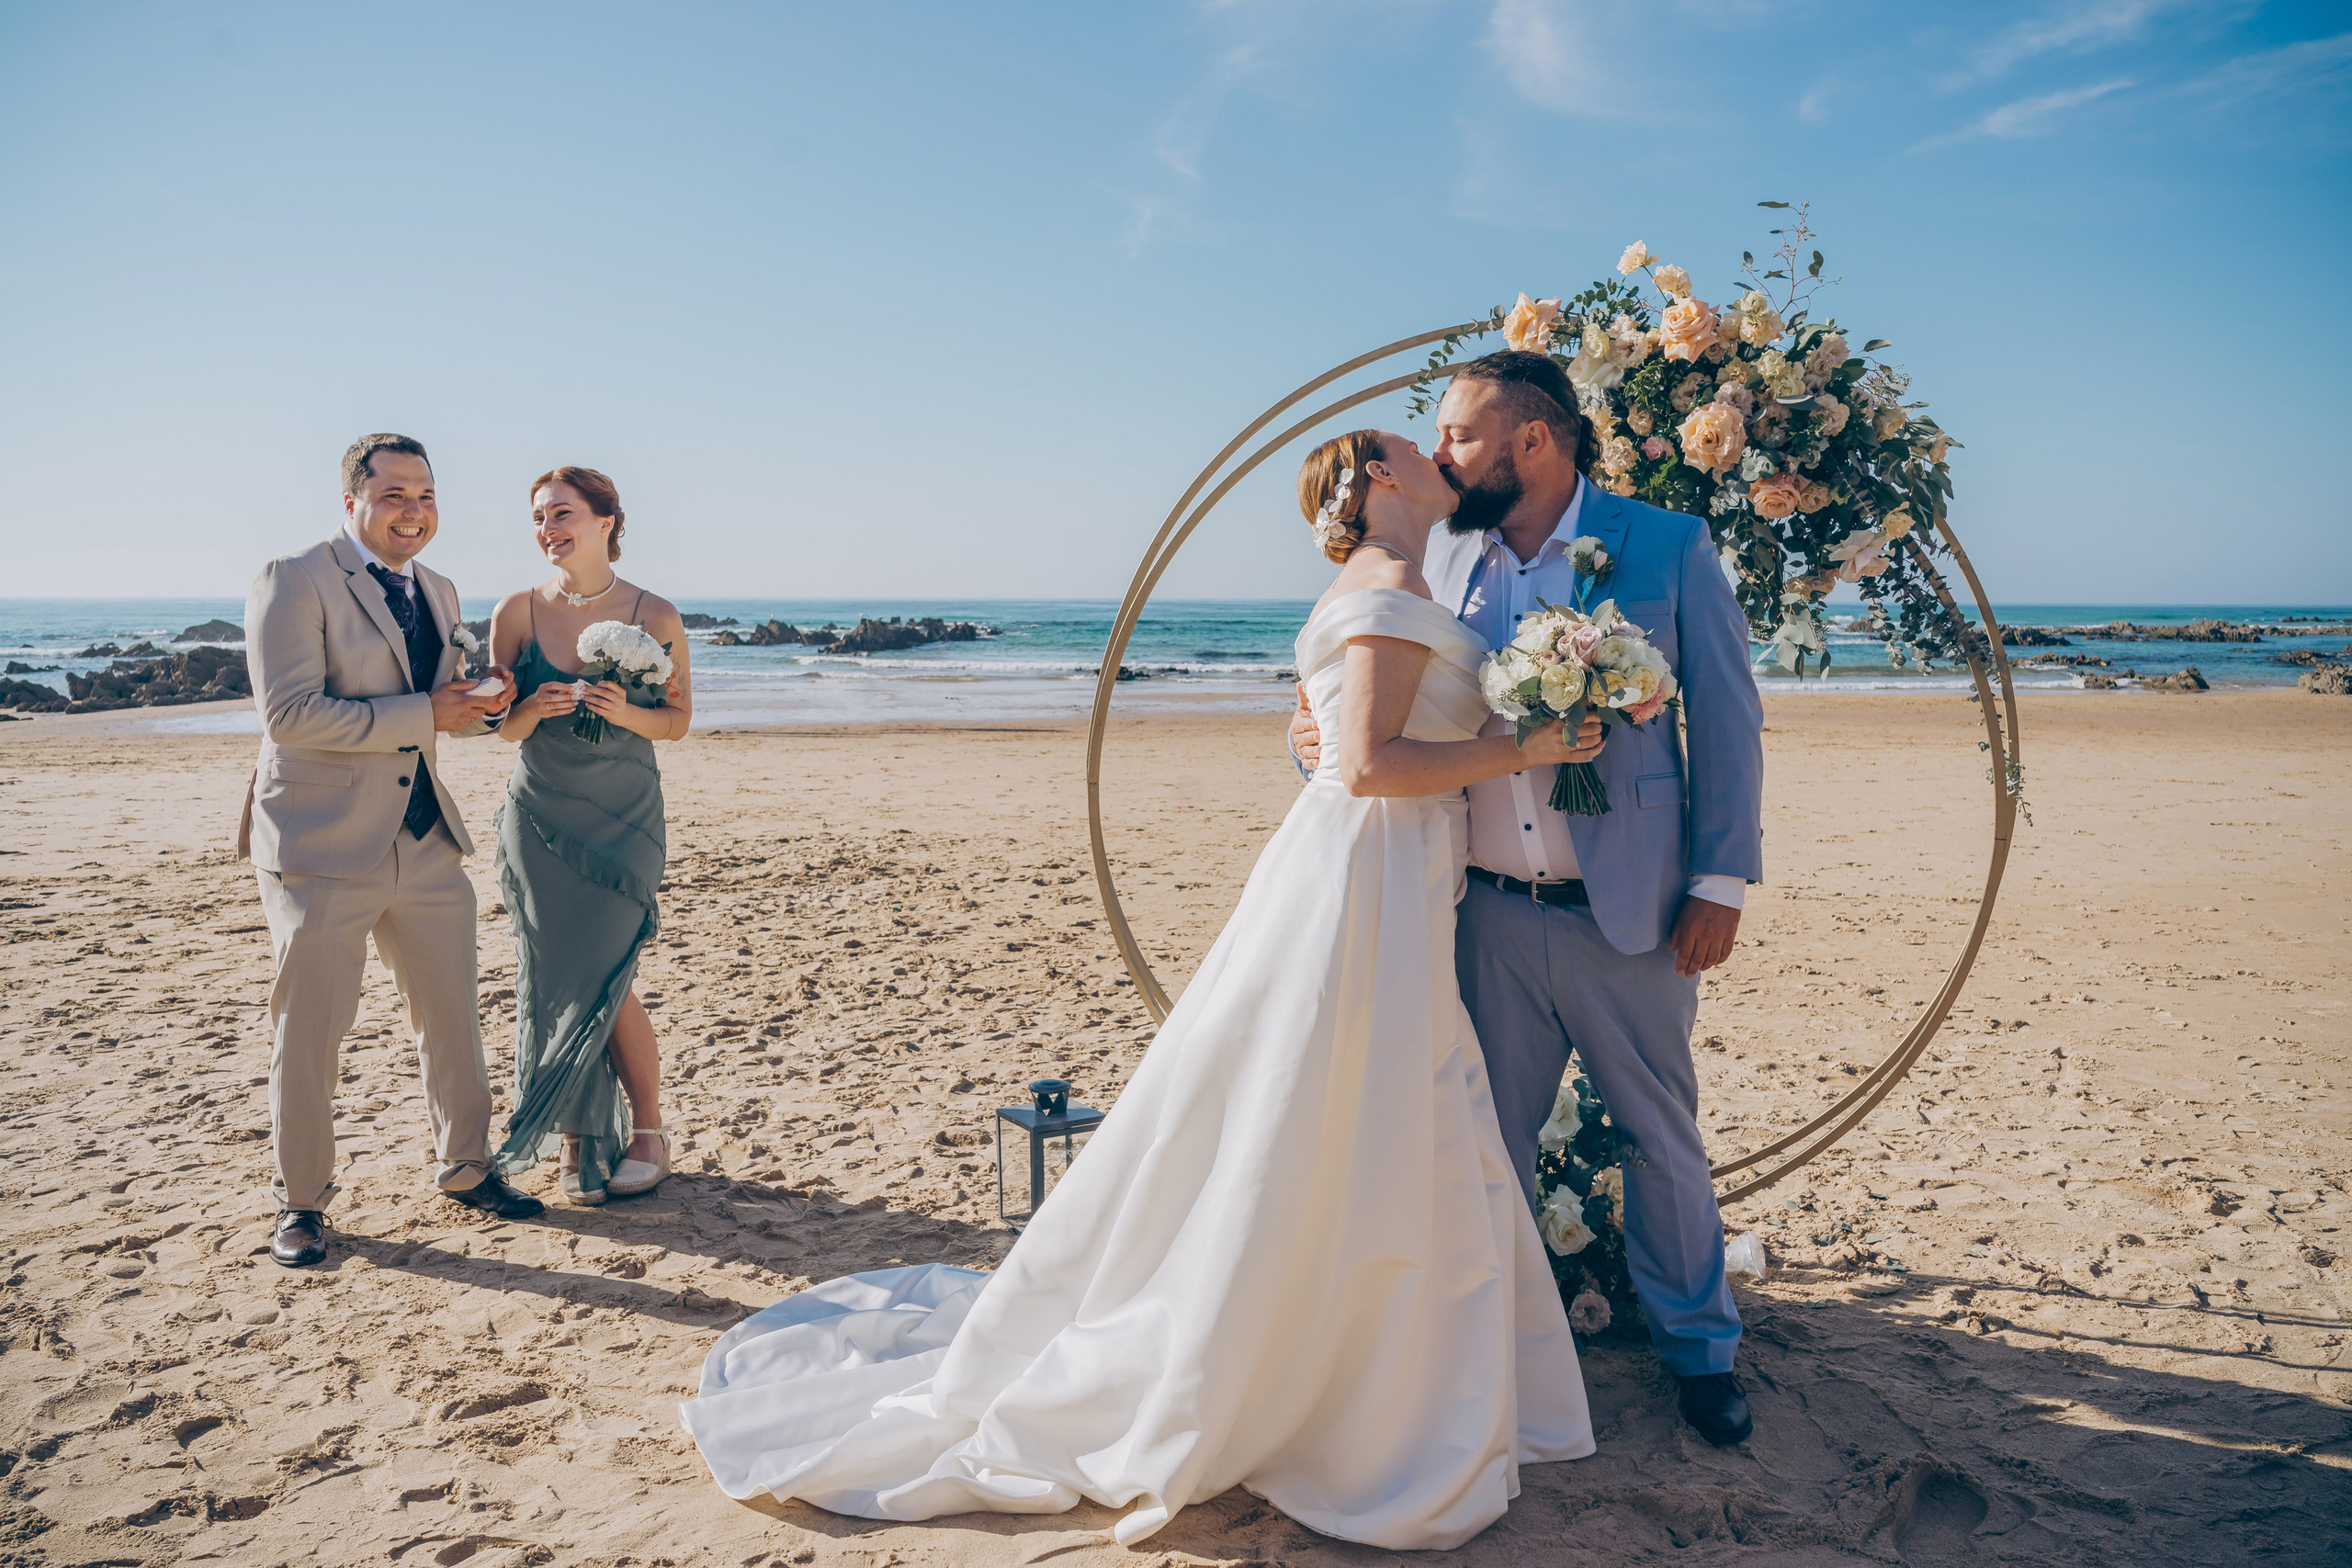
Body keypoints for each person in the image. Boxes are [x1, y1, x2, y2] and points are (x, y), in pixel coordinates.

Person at [681, 429, 1603, 1551]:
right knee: (1357, 1095)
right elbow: (1362, 765)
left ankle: (1366, 1357)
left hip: (1390, 875)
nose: (1441, 452)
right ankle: (1338, 1383)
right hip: (1366, 876)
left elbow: (1342, 739)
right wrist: (1527, 745)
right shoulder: (1393, 580)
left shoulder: (1391, 580)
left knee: (1361, 1098)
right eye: (1421, 445)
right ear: (1376, 479)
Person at [1290, 351, 1766, 1446]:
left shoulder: (1666, 547)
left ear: (1531, 440)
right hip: (1481, 911)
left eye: (1458, 434)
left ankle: (1699, 1351)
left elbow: (1729, 724)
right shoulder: (1436, 563)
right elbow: (1362, 700)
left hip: (1631, 913)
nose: (1444, 454)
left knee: (1661, 1141)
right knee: (1479, 1141)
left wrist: (1719, 882)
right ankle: (1491, 1344)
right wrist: (1307, 734)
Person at [242, 433, 546, 1270]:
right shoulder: (293, 578)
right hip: (319, 842)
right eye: (394, 495)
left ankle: (469, 1169)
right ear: (352, 503)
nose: (413, 511)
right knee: (310, 1030)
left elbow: (444, 703)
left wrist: (488, 704)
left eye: (426, 494)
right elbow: (291, 715)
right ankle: (301, 1202)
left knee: (452, 1015)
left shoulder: (442, 588)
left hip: (424, 836)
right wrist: (430, 713)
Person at [487, 467, 691, 1205]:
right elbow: (499, 725)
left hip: (625, 819)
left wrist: (626, 710)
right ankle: (578, 1140)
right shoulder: (514, 611)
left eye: (562, 513)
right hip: (540, 816)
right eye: (539, 517)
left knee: (610, 975)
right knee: (554, 976)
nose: (548, 529)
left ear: (608, 520)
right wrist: (532, 709)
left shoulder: (656, 614)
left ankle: (649, 1134)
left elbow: (678, 719)